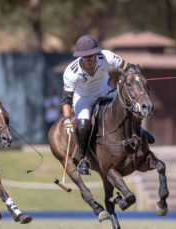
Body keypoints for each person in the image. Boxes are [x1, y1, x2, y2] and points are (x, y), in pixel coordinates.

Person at [61, 34, 155, 175]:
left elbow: (127, 67)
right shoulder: (71, 72)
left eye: (91, 57)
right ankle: (83, 159)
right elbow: (66, 99)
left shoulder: (106, 56)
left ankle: (141, 132)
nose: (89, 61)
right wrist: (68, 119)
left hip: (105, 90)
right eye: (85, 59)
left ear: (96, 53)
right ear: (80, 57)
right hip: (84, 98)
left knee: (127, 105)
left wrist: (132, 78)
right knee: (83, 124)